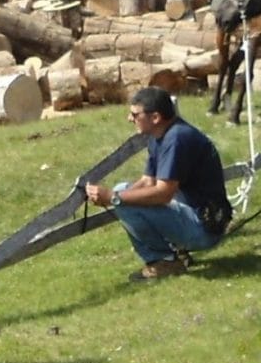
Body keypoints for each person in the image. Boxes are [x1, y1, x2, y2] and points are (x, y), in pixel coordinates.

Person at [85, 87, 232, 280]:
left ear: (155, 117)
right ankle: (174, 254)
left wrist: (113, 198)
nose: (130, 119)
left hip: (204, 228)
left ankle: (164, 261)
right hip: (196, 217)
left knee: (123, 199)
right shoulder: (161, 135)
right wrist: (114, 195)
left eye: (135, 114)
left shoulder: (176, 139)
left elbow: (164, 194)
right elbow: (148, 181)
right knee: (123, 193)